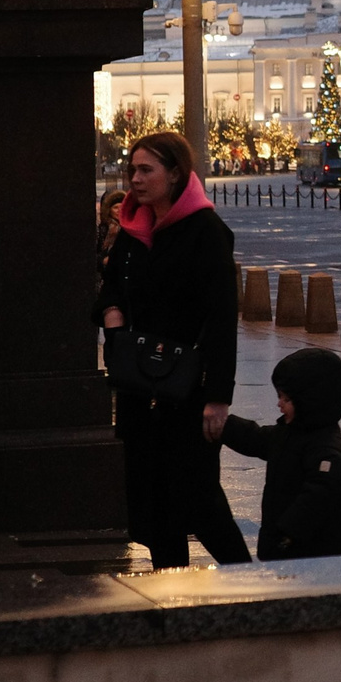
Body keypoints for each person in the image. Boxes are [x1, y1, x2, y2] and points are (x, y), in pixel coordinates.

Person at [96, 131, 248, 569]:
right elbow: (110, 288)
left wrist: (218, 396)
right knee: (154, 505)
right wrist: (112, 315)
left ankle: (257, 588)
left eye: (147, 170)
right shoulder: (132, 229)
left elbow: (222, 318)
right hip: (139, 389)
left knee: (201, 502)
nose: (136, 180)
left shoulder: (205, 231)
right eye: (133, 170)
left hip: (187, 390)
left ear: (176, 173)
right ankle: (172, 593)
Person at [219, 348, 341, 560]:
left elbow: (315, 501)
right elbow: (256, 438)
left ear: (309, 401)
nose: (279, 404)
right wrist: (224, 426)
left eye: (285, 399)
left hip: (310, 556)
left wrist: (286, 535)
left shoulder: (328, 453)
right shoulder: (291, 433)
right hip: (284, 550)